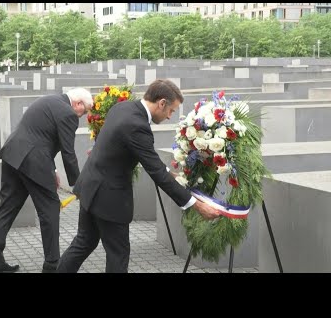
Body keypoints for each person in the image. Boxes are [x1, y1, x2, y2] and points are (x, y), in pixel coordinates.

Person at [57, 79, 221, 273]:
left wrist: (169, 173)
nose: (170, 116)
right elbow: (155, 172)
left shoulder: (123, 108)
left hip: (90, 187)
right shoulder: (138, 125)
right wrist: (196, 205)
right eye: (171, 110)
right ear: (161, 103)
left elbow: (138, 154)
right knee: (118, 254)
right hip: (109, 198)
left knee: (83, 243)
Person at [0, 88, 93, 273]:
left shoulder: (50, 100)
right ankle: (52, 265)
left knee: (6, 208)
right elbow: (68, 152)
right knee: (50, 209)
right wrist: (79, 185)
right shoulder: (68, 113)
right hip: (33, 160)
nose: (82, 116)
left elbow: (41, 136)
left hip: (13, 154)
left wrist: (53, 170)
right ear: (78, 104)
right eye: (83, 112)